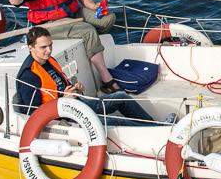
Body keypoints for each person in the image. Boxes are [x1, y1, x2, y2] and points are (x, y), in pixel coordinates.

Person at [5, 0, 121, 93]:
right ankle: (107, 80)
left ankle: (90, 46)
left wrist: (92, 6)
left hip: (72, 13)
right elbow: (14, 1)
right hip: (50, 23)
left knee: (108, 18)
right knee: (87, 30)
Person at [16, 27, 154, 127]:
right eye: (43, 47)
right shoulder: (28, 75)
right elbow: (32, 113)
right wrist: (63, 99)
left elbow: (59, 86)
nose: (49, 50)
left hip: (77, 102)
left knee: (122, 97)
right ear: (30, 48)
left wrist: (76, 89)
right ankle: (157, 130)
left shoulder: (49, 61)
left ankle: (154, 124)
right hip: (67, 115)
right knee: (116, 123)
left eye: (50, 45)